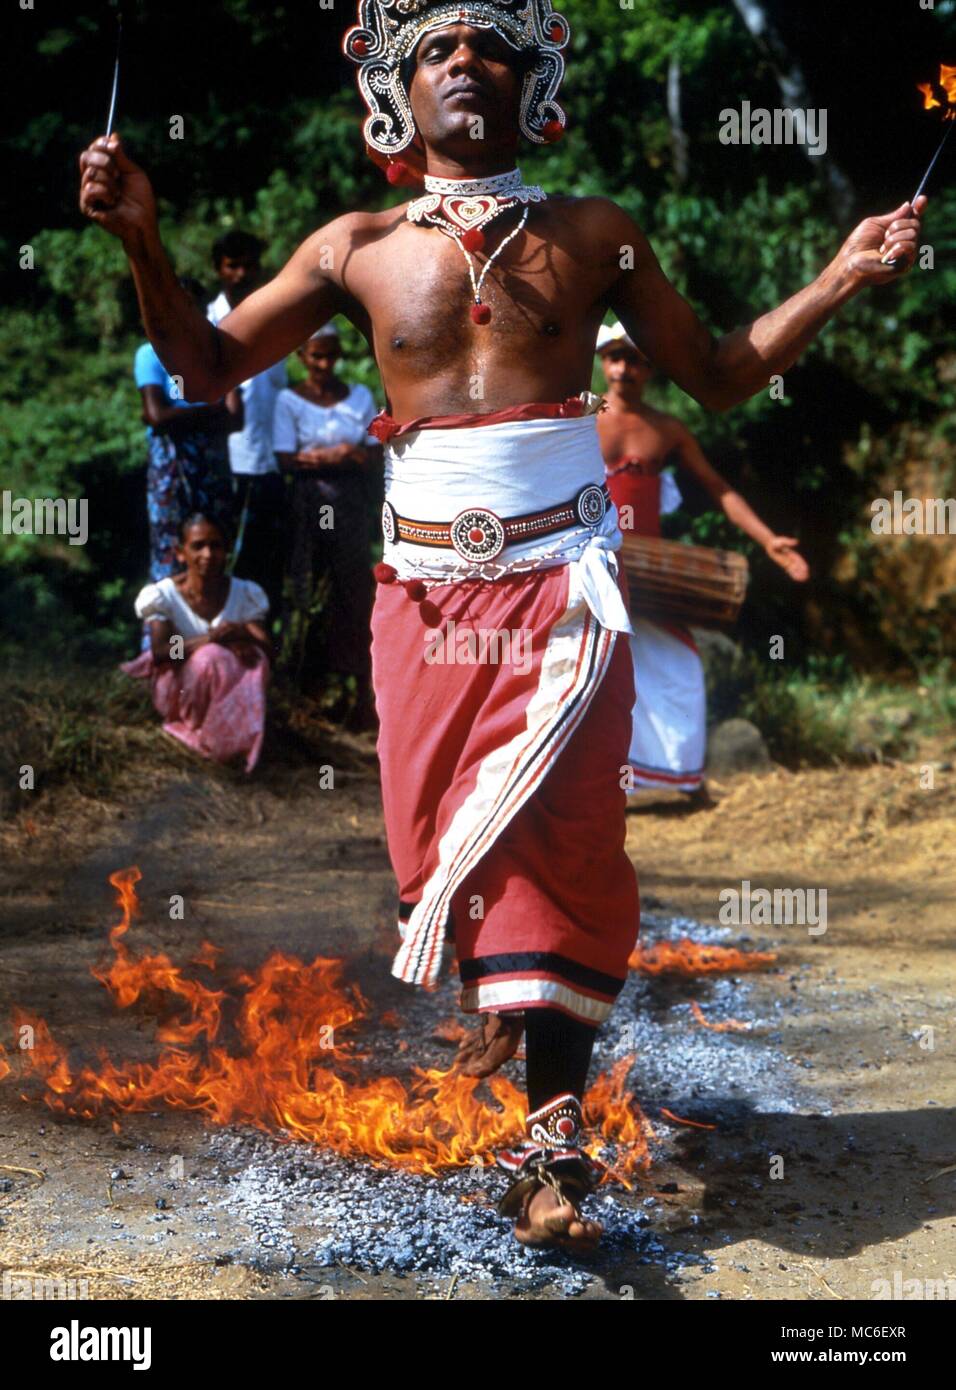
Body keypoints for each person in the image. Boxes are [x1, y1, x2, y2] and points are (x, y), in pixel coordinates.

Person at [80, 0, 925, 1254]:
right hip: (419, 605)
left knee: (569, 853)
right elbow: (204, 371)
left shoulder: (593, 236)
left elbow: (726, 370)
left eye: (490, 49)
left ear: (530, 90)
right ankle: (507, 1027)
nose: (465, 63)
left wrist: (842, 273)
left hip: (566, 594)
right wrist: (144, 237)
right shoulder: (354, 247)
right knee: (446, 859)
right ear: (395, 96)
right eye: (437, 50)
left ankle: (550, 1151)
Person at [596, 322, 810, 804]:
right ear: (602, 363)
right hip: (590, 566)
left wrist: (768, 539)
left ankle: (682, 776)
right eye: (613, 357)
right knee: (589, 669)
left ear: (649, 366)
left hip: (649, 572)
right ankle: (586, 784)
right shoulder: (579, 417)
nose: (622, 368)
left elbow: (720, 490)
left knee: (680, 668)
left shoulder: (667, 430)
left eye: (632, 358)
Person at [273, 324, 380, 723]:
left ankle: (353, 691)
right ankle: (306, 689)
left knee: (351, 588)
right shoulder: (289, 400)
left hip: (350, 505)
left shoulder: (359, 397)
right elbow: (286, 458)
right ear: (302, 357)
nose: (322, 364)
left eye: (330, 356)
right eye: (315, 356)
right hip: (309, 503)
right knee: (308, 586)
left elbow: (370, 453)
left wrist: (333, 456)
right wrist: (340, 455)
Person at [121, 513, 271, 774]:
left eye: (216, 546)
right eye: (198, 546)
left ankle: (227, 740)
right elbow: (160, 652)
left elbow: (269, 649)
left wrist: (240, 633)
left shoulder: (245, 593)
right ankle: (206, 738)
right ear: (181, 553)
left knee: (254, 660)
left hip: (223, 689)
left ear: (227, 552)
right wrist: (211, 640)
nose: (208, 555)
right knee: (212, 656)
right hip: (178, 689)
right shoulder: (163, 595)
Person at [134, 276, 240, 581]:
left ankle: (215, 623)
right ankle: (167, 623)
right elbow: (156, 416)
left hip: (212, 463)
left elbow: (235, 417)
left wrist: (181, 413)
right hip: (171, 465)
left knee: (214, 541)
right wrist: (212, 407)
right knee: (170, 542)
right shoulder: (150, 354)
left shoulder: (215, 352)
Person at [208, 232, 289, 618]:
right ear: (218, 269)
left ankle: (259, 648)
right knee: (222, 552)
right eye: (232, 265)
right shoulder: (206, 320)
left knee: (267, 557)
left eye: (248, 266)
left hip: (273, 462)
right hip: (226, 464)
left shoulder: (277, 315)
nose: (241, 273)